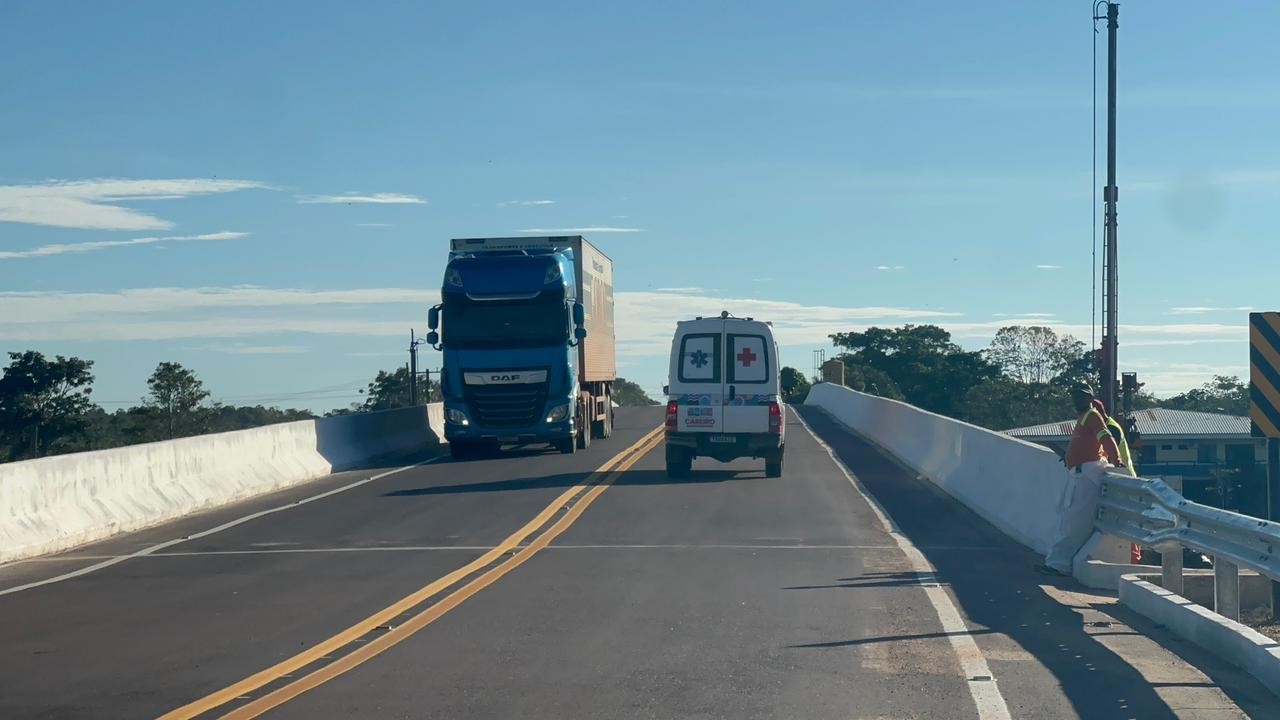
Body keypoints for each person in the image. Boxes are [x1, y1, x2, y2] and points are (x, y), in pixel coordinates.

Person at [1040, 383, 1121, 574]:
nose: (1078, 399)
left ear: (1090, 398)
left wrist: (1116, 459)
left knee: (1074, 522)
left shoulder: (1092, 416)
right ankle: (1056, 563)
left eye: (1082, 396)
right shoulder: (1083, 417)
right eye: (1075, 395)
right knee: (1069, 519)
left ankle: (1058, 565)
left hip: (1086, 474)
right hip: (1079, 473)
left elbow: (1105, 436)